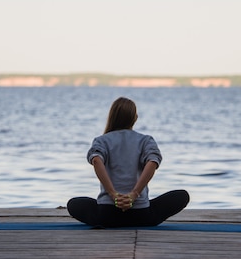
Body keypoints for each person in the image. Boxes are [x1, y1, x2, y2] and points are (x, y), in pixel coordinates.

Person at [67, 97, 189, 228]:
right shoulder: (145, 140)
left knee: (73, 204)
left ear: (112, 116)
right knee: (182, 196)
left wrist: (113, 195)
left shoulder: (101, 140)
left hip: (107, 215)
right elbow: (153, 161)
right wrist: (134, 194)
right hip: (141, 215)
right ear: (134, 118)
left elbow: (97, 160)